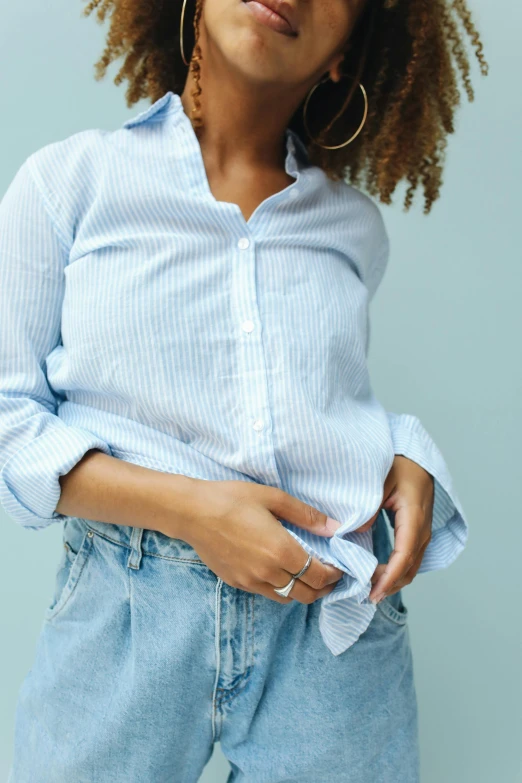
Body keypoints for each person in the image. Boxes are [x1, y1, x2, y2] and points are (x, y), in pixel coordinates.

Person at [2, 0, 487, 780]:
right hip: (128, 612)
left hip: (331, 624)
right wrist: (194, 511)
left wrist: (403, 454)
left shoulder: (353, 229)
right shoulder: (70, 184)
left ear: (345, 51)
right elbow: (8, 421)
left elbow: (316, 404)